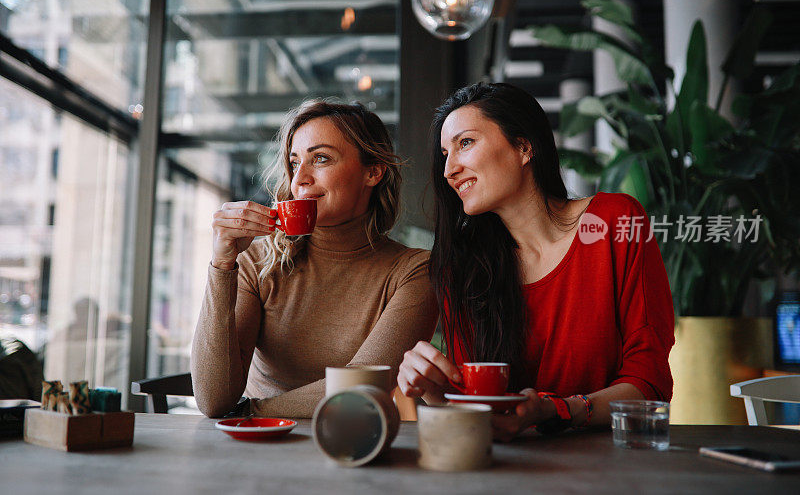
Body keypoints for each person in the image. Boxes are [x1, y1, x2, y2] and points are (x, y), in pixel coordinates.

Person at [397, 83, 674, 441]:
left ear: (524, 147)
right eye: (445, 153)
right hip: (509, 466)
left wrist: (560, 410)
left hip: (613, 460)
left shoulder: (614, 221)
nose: (449, 169)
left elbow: (650, 382)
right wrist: (433, 388)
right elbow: (479, 405)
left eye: (465, 143)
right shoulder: (463, 270)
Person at [192, 100, 438, 418]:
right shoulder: (257, 259)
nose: (300, 180)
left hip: (346, 443)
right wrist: (222, 265)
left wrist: (250, 412)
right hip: (255, 448)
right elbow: (213, 399)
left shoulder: (413, 271)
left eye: (320, 159)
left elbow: (363, 384)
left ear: (373, 172)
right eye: (295, 163)